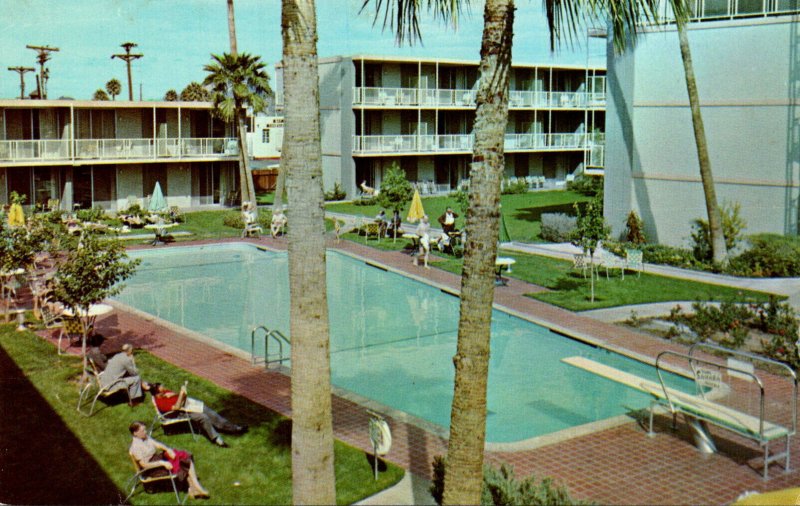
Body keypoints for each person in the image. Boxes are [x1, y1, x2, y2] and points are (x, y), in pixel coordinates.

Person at [145, 381, 247, 447]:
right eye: (162, 389)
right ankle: (216, 439)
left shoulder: (164, 393)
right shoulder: (161, 403)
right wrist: (181, 394)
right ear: (158, 393)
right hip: (180, 412)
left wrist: (176, 394)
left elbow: (176, 397)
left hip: (186, 404)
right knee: (203, 417)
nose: (164, 389)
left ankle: (233, 428)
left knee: (210, 412)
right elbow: (176, 408)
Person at [128, 421, 210, 499]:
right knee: (182, 463)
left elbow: (157, 444)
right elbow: (144, 464)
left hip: (157, 458)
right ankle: (196, 488)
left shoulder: (144, 437)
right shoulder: (135, 447)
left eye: (145, 429)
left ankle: (194, 489)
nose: (145, 432)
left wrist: (168, 449)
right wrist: (162, 463)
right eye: (143, 430)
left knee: (184, 457)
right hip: (151, 469)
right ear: (135, 433)